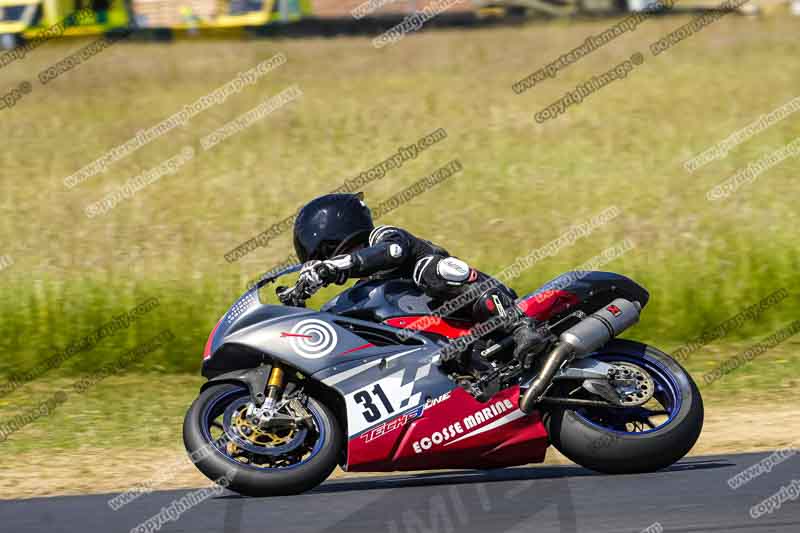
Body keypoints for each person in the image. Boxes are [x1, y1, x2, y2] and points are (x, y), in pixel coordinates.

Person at [282, 192, 552, 369]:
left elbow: (391, 252)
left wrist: (333, 266)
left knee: (433, 271)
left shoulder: (384, 239)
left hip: (476, 308)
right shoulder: (364, 289)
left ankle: (519, 326)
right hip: (444, 341)